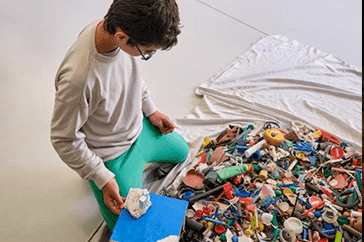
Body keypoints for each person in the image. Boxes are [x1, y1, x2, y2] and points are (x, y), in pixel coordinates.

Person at [50, 0, 189, 232]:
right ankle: (103, 178)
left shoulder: (111, 28)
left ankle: (137, 150)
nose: (148, 55)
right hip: (111, 153)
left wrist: (151, 111)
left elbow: (133, 79)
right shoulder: (79, 79)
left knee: (182, 151)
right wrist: (101, 176)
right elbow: (64, 140)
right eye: (148, 52)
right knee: (128, 222)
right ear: (122, 37)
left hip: (138, 130)